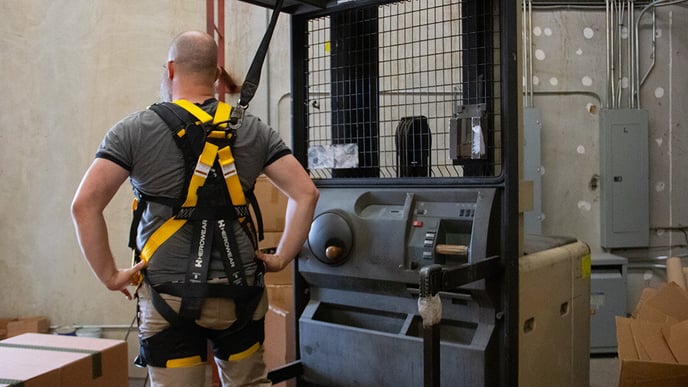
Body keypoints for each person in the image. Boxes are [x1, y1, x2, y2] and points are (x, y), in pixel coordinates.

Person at [71, 30, 319, 387]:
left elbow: (84, 205)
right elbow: (306, 193)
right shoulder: (254, 130)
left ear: (170, 69)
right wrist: (280, 258)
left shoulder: (134, 131)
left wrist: (110, 275)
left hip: (167, 295)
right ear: (217, 75)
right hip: (241, 295)